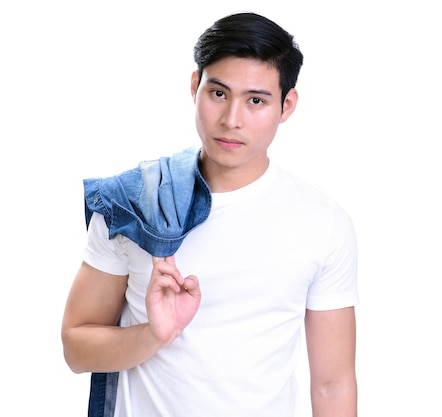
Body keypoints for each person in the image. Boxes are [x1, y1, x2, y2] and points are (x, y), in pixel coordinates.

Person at [61, 11, 358, 417]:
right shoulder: (134, 204)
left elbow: (332, 385)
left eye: (256, 100)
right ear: (194, 86)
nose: (231, 119)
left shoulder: (323, 224)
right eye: (218, 93)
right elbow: (76, 348)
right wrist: (153, 335)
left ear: (287, 106)